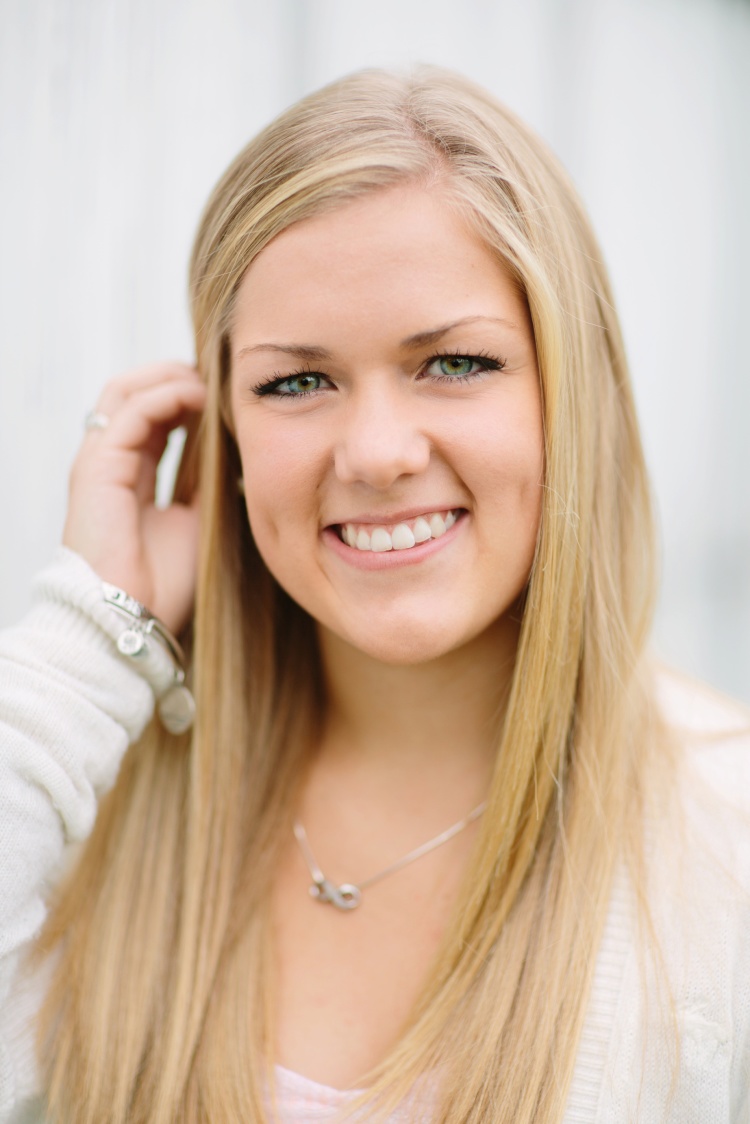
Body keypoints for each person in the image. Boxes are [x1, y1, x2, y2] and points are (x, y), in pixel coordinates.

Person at [0, 66, 748, 1124]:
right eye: (296, 381)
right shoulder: (84, 808)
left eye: (452, 362)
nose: (379, 452)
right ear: (226, 436)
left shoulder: (727, 845)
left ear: (572, 392)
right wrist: (84, 644)